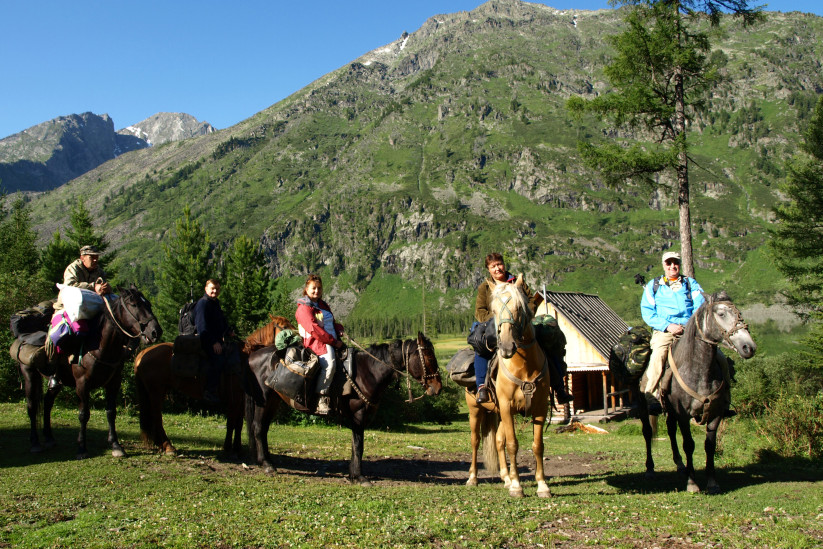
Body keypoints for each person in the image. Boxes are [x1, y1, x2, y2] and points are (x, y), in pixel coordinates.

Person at [471, 252, 572, 405]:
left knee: (547, 341)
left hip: (521, 324)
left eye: (499, 264)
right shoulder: (484, 287)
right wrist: (498, 318)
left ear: (503, 264)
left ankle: (559, 388)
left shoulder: (517, 282)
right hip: (496, 325)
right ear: (488, 269)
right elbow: (479, 311)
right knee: (482, 347)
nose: (497, 268)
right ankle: (482, 387)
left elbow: (531, 301)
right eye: (493, 266)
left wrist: (524, 315)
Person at [639, 251, 706, 414]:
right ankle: (651, 394)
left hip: (689, 329)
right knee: (658, 355)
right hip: (665, 331)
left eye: (675, 263)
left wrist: (689, 324)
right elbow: (647, 312)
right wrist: (668, 326)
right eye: (668, 263)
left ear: (679, 264)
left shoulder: (691, 284)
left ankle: (722, 400)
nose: (672, 266)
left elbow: (701, 303)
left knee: (715, 354)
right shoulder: (653, 286)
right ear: (664, 265)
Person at [47, 245, 112, 389]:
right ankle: (54, 373)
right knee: (59, 332)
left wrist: (107, 289)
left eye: (97, 257)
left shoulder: (99, 271)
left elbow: (102, 287)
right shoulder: (73, 268)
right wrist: (93, 286)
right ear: (83, 258)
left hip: (90, 308)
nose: (95, 260)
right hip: (67, 307)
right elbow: (70, 286)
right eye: (92, 257)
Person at [295, 274, 344, 415]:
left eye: (319, 288)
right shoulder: (303, 308)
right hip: (316, 343)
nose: (317, 291)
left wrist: (338, 328)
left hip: (331, 340)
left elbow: (331, 323)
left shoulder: (323, 305)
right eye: (313, 288)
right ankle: (320, 399)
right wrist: (334, 342)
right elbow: (314, 330)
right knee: (330, 364)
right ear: (306, 289)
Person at [194, 279, 233, 404]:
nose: (215, 291)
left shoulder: (215, 303)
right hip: (206, 341)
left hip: (216, 340)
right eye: (212, 288)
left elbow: (219, 323)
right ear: (206, 289)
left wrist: (229, 331)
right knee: (219, 360)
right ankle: (209, 391)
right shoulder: (203, 304)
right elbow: (202, 328)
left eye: (217, 289)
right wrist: (213, 343)